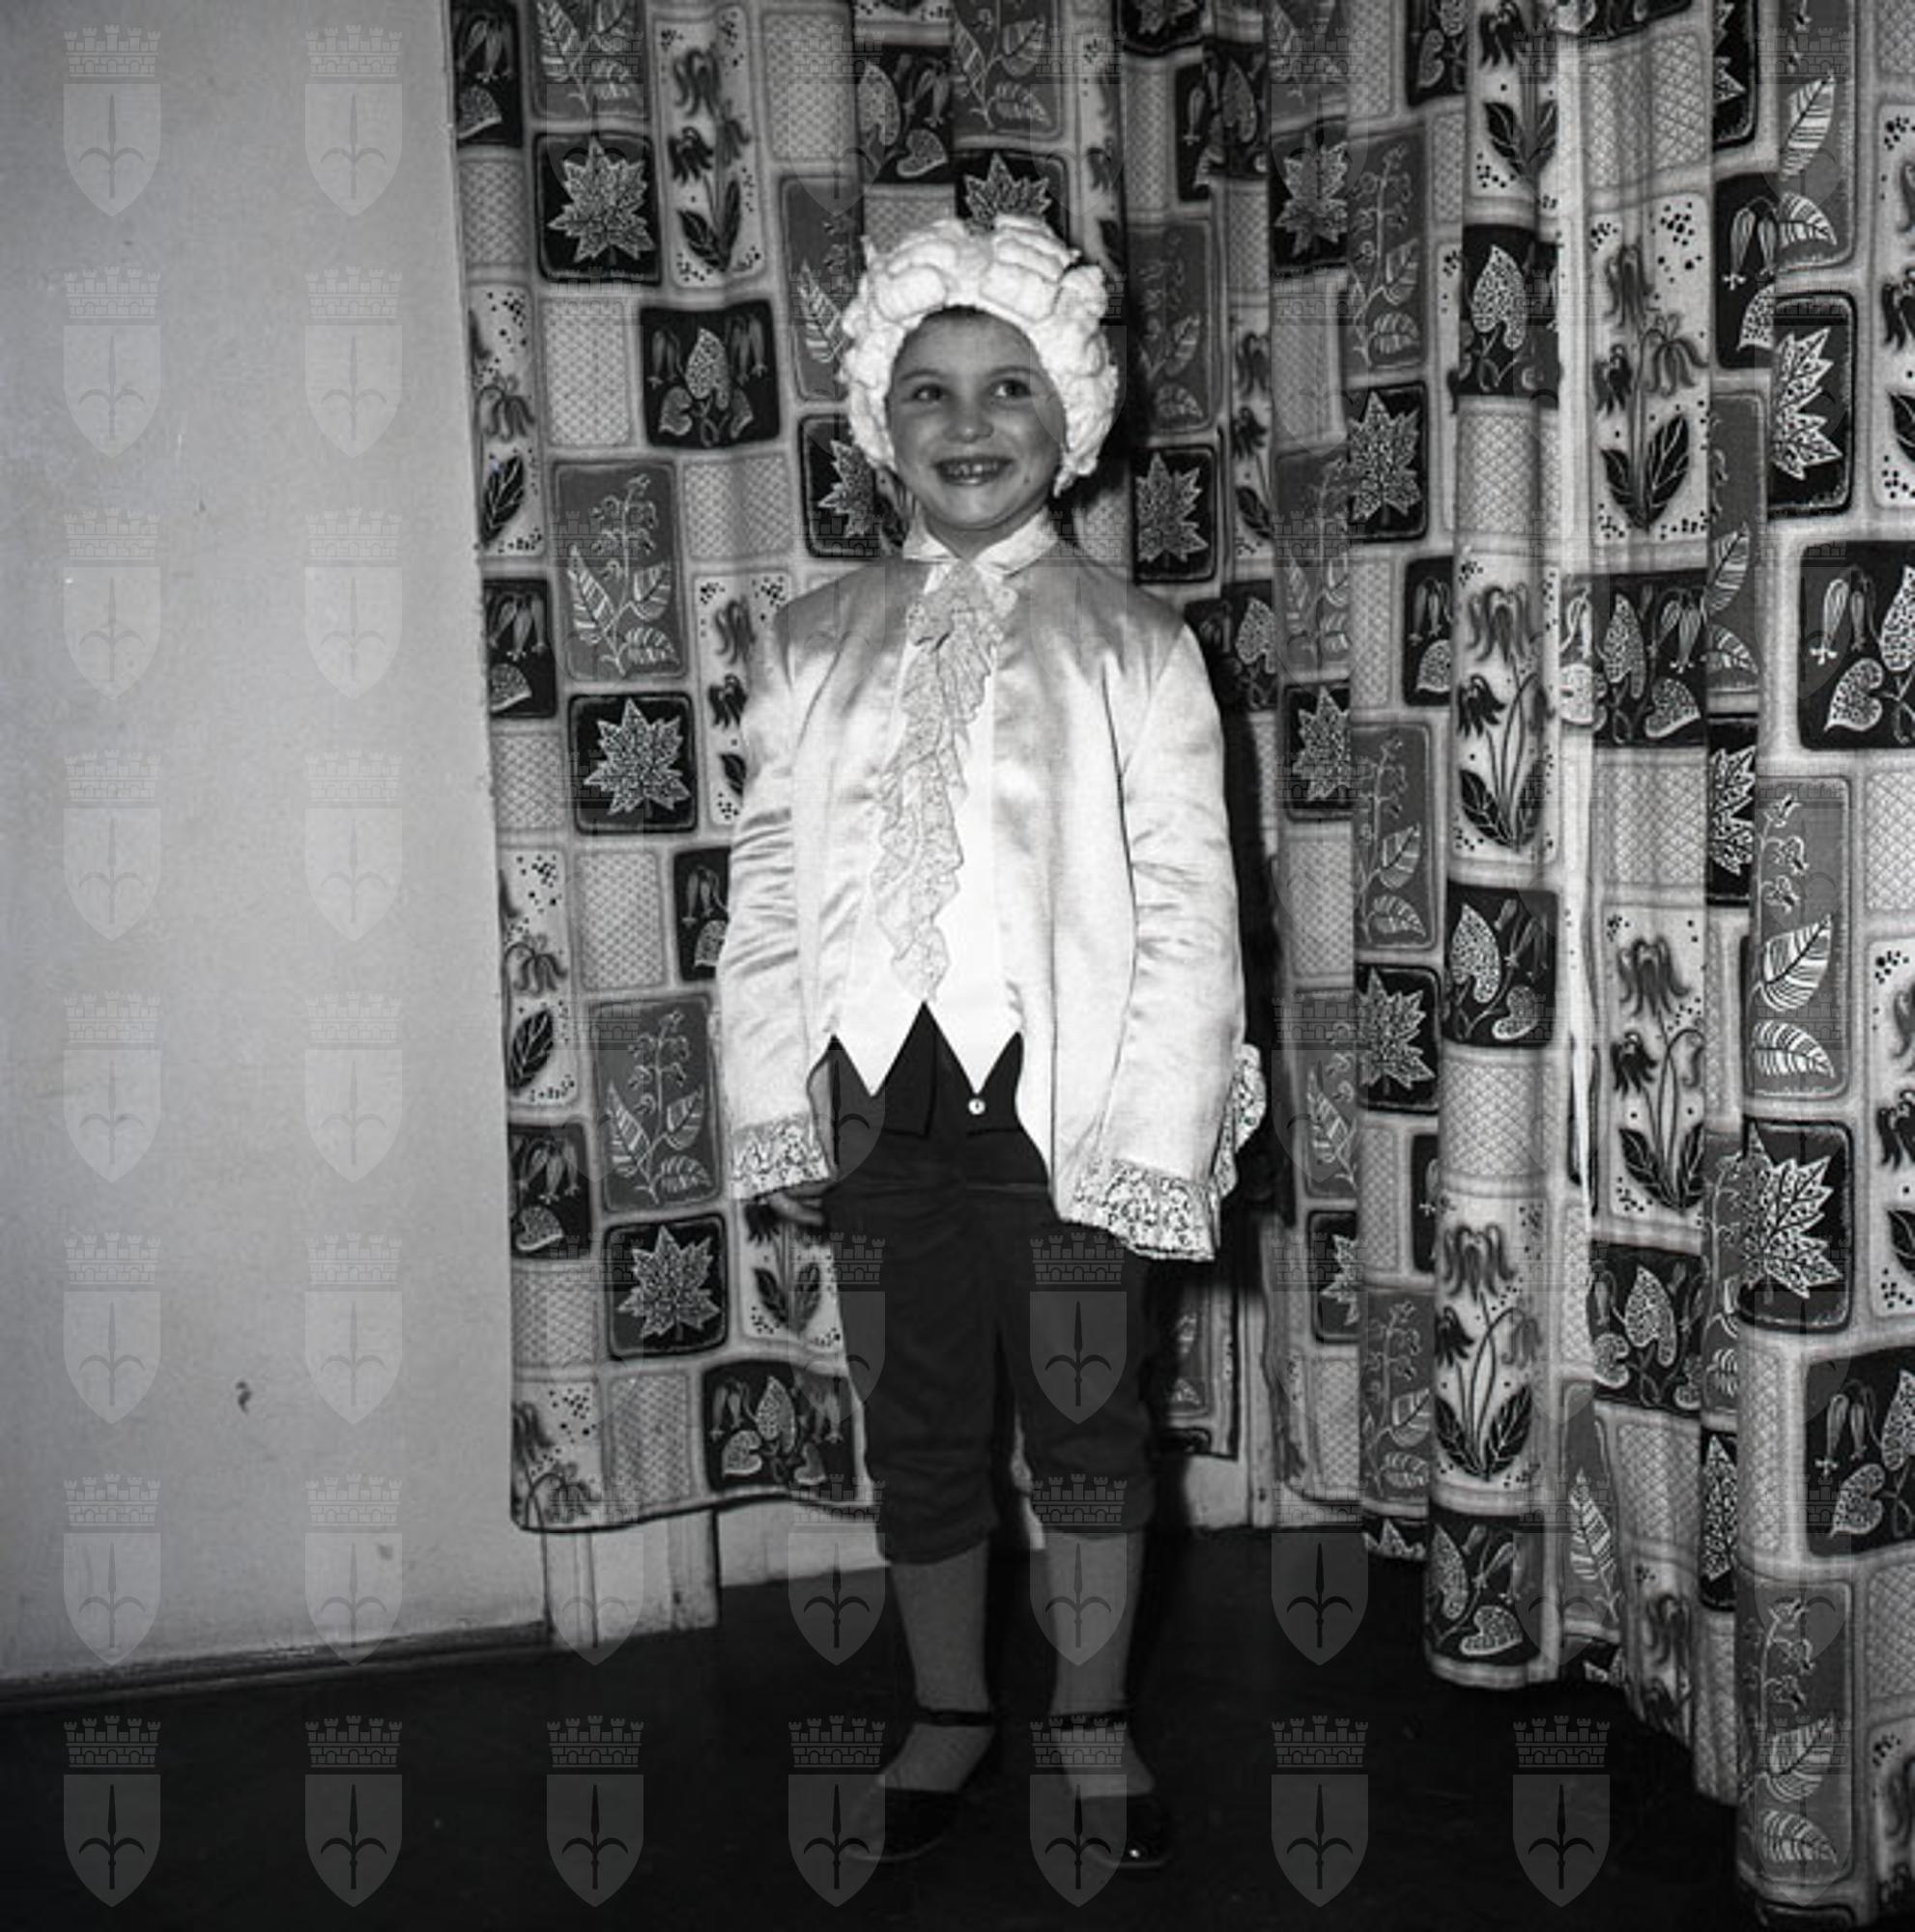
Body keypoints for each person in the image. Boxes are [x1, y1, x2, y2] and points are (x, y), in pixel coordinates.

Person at [716, 214, 1264, 1870]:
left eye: (1008, 386)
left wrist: (1156, 1137)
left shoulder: (1134, 645)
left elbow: (1189, 915)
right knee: (920, 1420)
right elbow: (765, 893)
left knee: (1088, 1427)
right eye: (931, 390)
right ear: (880, 425)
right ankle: (947, 1706)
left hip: (1064, 1115)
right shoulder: (811, 643)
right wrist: (776, 1101)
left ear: (1070, 416)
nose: (969, 422)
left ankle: (1089, 1719)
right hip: (875, 1117)